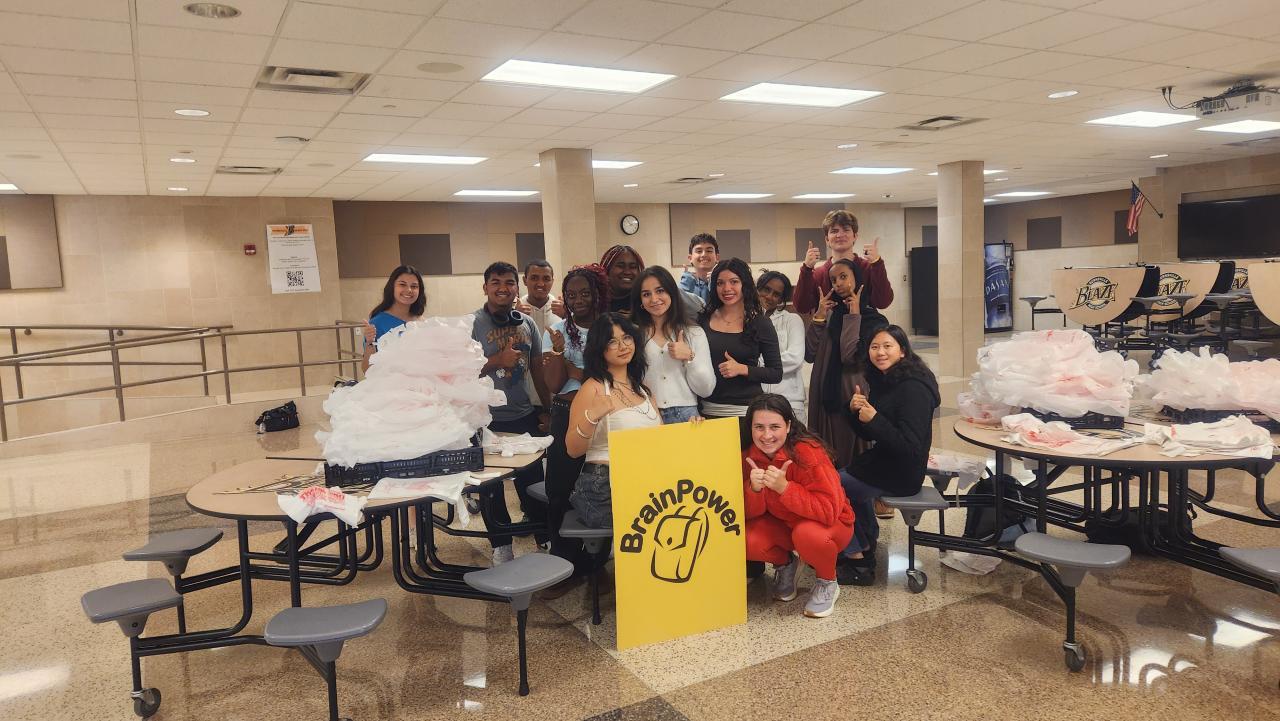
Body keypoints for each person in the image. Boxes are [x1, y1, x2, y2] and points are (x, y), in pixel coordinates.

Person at [836, 325, 940, 586]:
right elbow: (870, 433)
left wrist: (875, 419)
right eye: (874, 347)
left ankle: (858, 560)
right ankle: (866, 540)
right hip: (885, 463)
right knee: (841, 480)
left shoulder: (913, 388)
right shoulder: (886, 379)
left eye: (887, 346)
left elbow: (910, 447)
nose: (880, 352)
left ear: (902, 351)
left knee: (831, 487)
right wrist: (854, 411)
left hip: (902, 472)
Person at [743, 394, 854, 618]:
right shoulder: (749, 457)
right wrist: (753, 490)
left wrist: (785, 488)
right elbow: (744, 515)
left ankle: (827, 581)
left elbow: (829, 510)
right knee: (743, 537)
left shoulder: (808, 452)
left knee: (808, 534)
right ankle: (786, 565)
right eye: (759, 427)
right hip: (786, 526)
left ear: (788, 426)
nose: (766, 435)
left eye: (775, 427)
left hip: (830, 525)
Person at [471, 261, 548, 565]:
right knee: (490, 489)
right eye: (496, 282)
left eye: (509, 283)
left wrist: (547, 409)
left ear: (517, 288)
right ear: (485, 287)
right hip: (485, 419)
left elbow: (538, 369)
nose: (503, 288)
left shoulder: (527, 324)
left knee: (531, 484)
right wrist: (496, 360)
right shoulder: (472, 325)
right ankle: (501, 545)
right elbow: (460, 371)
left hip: (524, 414)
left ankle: (543, 536)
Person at [538, 264, 609, 592]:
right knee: (559, 490)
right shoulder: (556, 330)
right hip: (566, 414)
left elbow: (611, 376)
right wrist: (557, 353)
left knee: (603, 488)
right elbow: (554, 385)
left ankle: (596, 565)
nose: (577, 300)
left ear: (597, 294)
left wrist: (575, 372)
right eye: (571, 295)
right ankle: (563, 565)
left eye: (584, 293)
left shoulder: (609, 328)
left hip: (604, 416)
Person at [566, 313, 662, 530]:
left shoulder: (642, 389)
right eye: (612, 341)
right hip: (604, 485)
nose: (623, 346)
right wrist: (592, 416)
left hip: (643, 480)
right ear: (600, 348)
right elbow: (572, 449)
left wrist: (693, 428)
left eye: (626, 337)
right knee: (651, 525)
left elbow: (662, 441)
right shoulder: (593, 387)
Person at [697, 257, 782, 447]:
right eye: (720, 283)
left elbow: (776, 373)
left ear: (745, 284)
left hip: (746, 414)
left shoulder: (760, 323)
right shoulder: (703, 319)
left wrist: (742, 369)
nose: (727, 288)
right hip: (707, 413)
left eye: (734, 281)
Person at [805, 258, 870, 469]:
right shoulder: (829, 314)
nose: (838, 284)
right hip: (825, 391)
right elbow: (809, 353)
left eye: (843, 277)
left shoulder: (871, 317)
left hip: (851, 392)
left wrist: (854, 315)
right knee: (826, 454)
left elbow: (849, 356)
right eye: (833, 280)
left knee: (851, 453)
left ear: (857, 279)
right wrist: (819, 317)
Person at [633, 265, 715, 424]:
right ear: (640, 301)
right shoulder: (634, 335)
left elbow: (706, 389)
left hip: (686, 416)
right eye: (646, 294)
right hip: (645, 414)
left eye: (660, 291)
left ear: (672, 292)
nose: (654, 299)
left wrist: (689, 357)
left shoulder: (694, 332)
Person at [793, 210, 893, 316]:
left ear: (855, 236)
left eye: (846, 230)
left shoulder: (868, 268)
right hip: (830, 326)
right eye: (834, 231)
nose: (840, 235)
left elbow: (883, 303)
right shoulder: (818, 274)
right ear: (827, 239)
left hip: (867, 325)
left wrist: (877, 263)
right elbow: (801, 307)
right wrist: (807, 268)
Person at [517, 259, 563, 431]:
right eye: (534, 278)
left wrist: (568, 317)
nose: (540, 284)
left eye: (546, 278)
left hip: (558, 396)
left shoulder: (562, 309)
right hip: (525, 400)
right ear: (525, 280)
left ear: (553, 280)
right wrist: (513, 319)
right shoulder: (515, 311)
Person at [757, 270, 806, 420]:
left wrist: (755, 365)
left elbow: (795, 358)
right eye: (766, 289)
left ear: (781, 299)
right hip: (757, 402)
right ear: (757, 289)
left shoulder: (792, 320)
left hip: (790, 401)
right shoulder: (745, 320)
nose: (769, 296)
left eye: (776, 294)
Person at [360, 265, 425, 373]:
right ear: (392, 287)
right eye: (402, 284)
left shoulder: (422, 322)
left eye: (414, 286)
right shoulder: (377, 323)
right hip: (391, 382)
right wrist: (369, 343)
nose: (409, 290)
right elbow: (367, 370)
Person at [601, 244, 644, 316]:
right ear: (607, 270)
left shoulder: (644, 300)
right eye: (620, 266)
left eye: (633, 267)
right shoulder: (595, 300)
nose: (627, 272)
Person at [678, 233, 719, 303]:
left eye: (709, 251)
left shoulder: (725, 284)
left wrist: (716, 283)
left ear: (717, 257)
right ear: (690, 258)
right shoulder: (685, 283)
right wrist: (686, 286)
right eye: (699, 251)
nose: (704, 254)